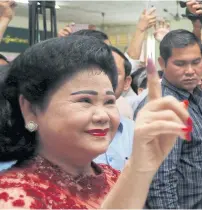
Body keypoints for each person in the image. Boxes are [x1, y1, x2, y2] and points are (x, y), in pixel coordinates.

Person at [0, 35, 191, 209]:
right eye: (85, 101)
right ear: (30, 109)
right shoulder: (13, 196)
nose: (102, 116)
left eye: (109, 102)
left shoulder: (112, 177)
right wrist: (136, 169)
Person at [135, 29, 202, 209]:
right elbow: (159, 183)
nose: (190, 71)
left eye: (196, 62)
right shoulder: (162, 107)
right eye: (180, 64)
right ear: (162, 63)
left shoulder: (197, 95)